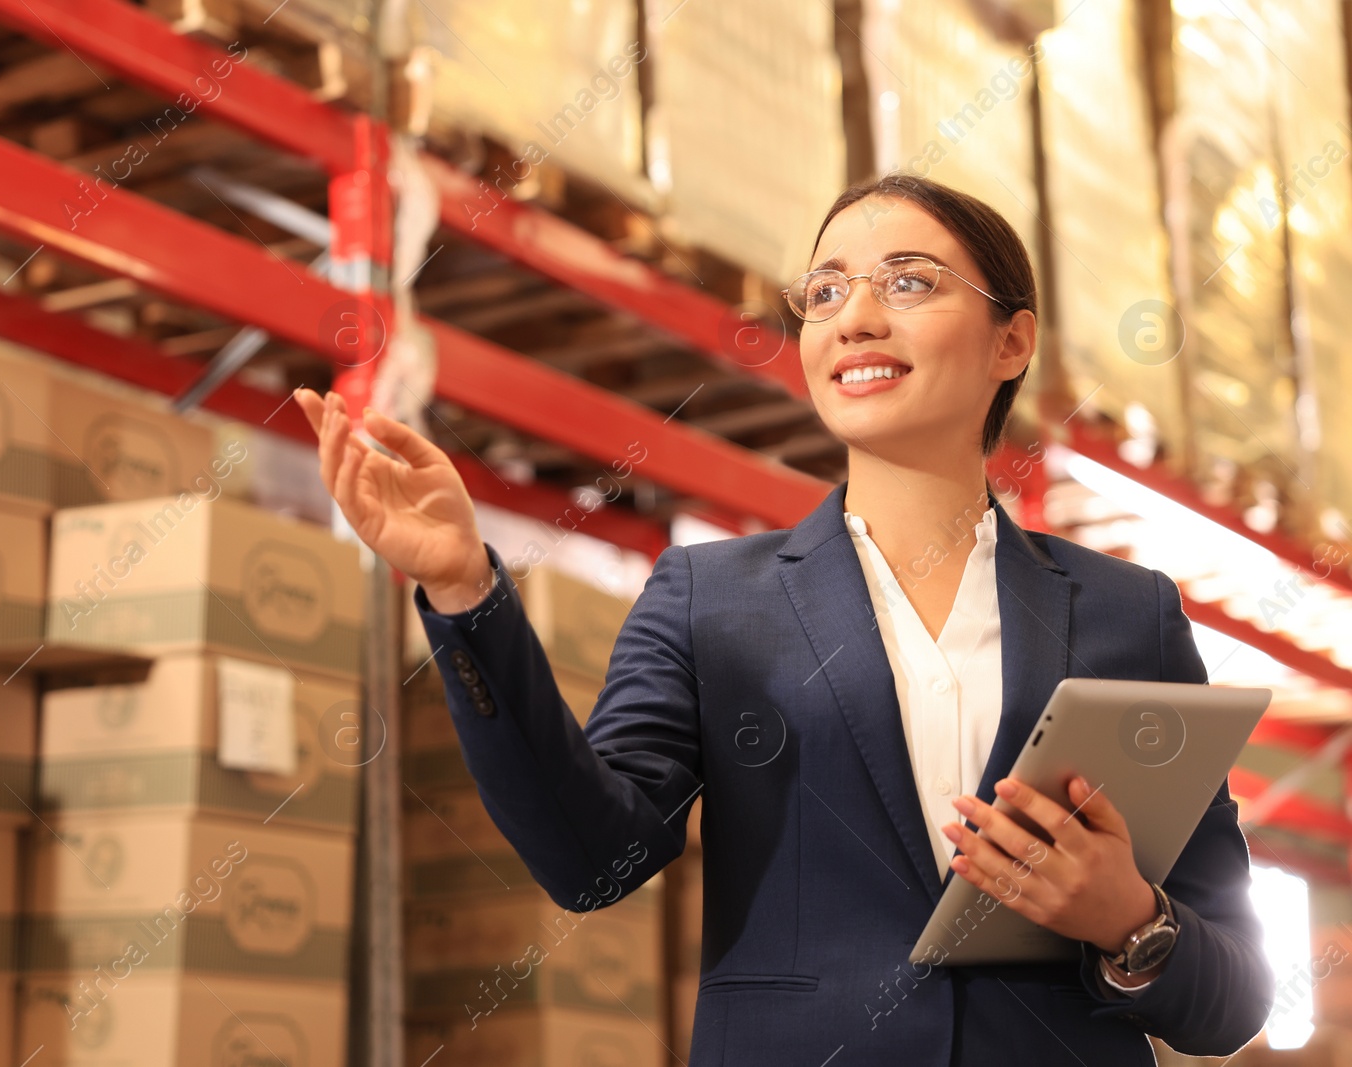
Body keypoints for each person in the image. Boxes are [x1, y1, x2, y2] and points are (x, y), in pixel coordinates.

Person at [297, 173, 1274, 1064]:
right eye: (823, 291)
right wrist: (469, 590)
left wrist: (1130, 918)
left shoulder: (1124, 615)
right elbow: (593, 864)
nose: (853, 316)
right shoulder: (708, 597)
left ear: (1009, 341)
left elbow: (1232, 997)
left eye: (908, 282)